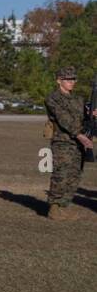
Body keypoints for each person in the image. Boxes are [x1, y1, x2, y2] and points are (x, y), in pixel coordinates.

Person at [44, 65, 93, 219]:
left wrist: (91, 114)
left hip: (78, 143)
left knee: (75, 175)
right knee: (61, 174)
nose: (72, 82)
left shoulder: (78, 99)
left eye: (74, 79)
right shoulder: (53, 98)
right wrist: (80, 135)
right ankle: (54, 207)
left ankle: (64, 206)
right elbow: (63, 119)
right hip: (63, 142)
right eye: (68, 79)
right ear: (59, 81)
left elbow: (83, 117)